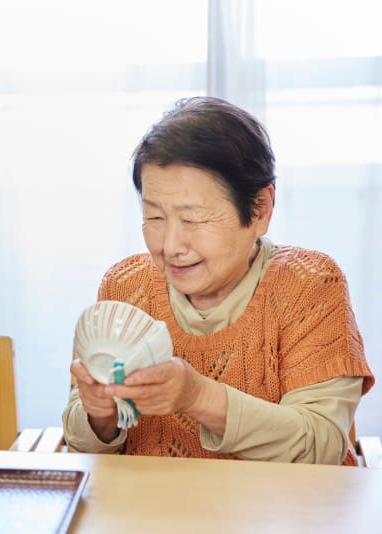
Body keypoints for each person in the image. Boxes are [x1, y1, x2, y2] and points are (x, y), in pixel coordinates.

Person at [63, 96, 375, 464]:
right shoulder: (126, 286)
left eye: (193, 219)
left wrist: (199, 397)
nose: (171, 246)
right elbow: (83, 447)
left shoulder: (308, 285)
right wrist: (101, 416)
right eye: (155, 217)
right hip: (152, 515)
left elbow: (320, 449)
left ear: (259, 210)